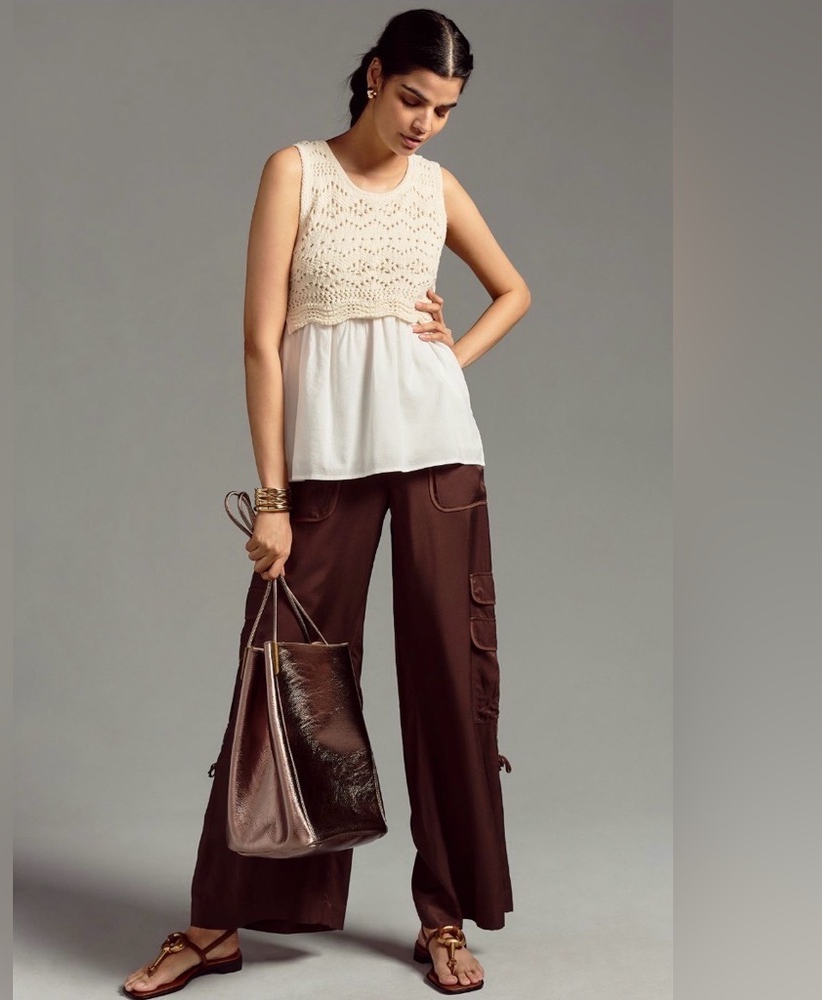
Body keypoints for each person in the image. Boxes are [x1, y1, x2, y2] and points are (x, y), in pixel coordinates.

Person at [122, 8, 531, 997]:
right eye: (413, 98)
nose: (425, 122)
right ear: (374, 75)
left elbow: (513, 291)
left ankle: (443, 917)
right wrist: (271, 495)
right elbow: (261, 344)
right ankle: (217, 922)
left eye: (444, 109)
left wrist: (449, 358)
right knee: (282, 676)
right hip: (322, 462)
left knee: (448, 677)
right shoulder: (295, 172)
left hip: (436, 455)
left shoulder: (437, 187)